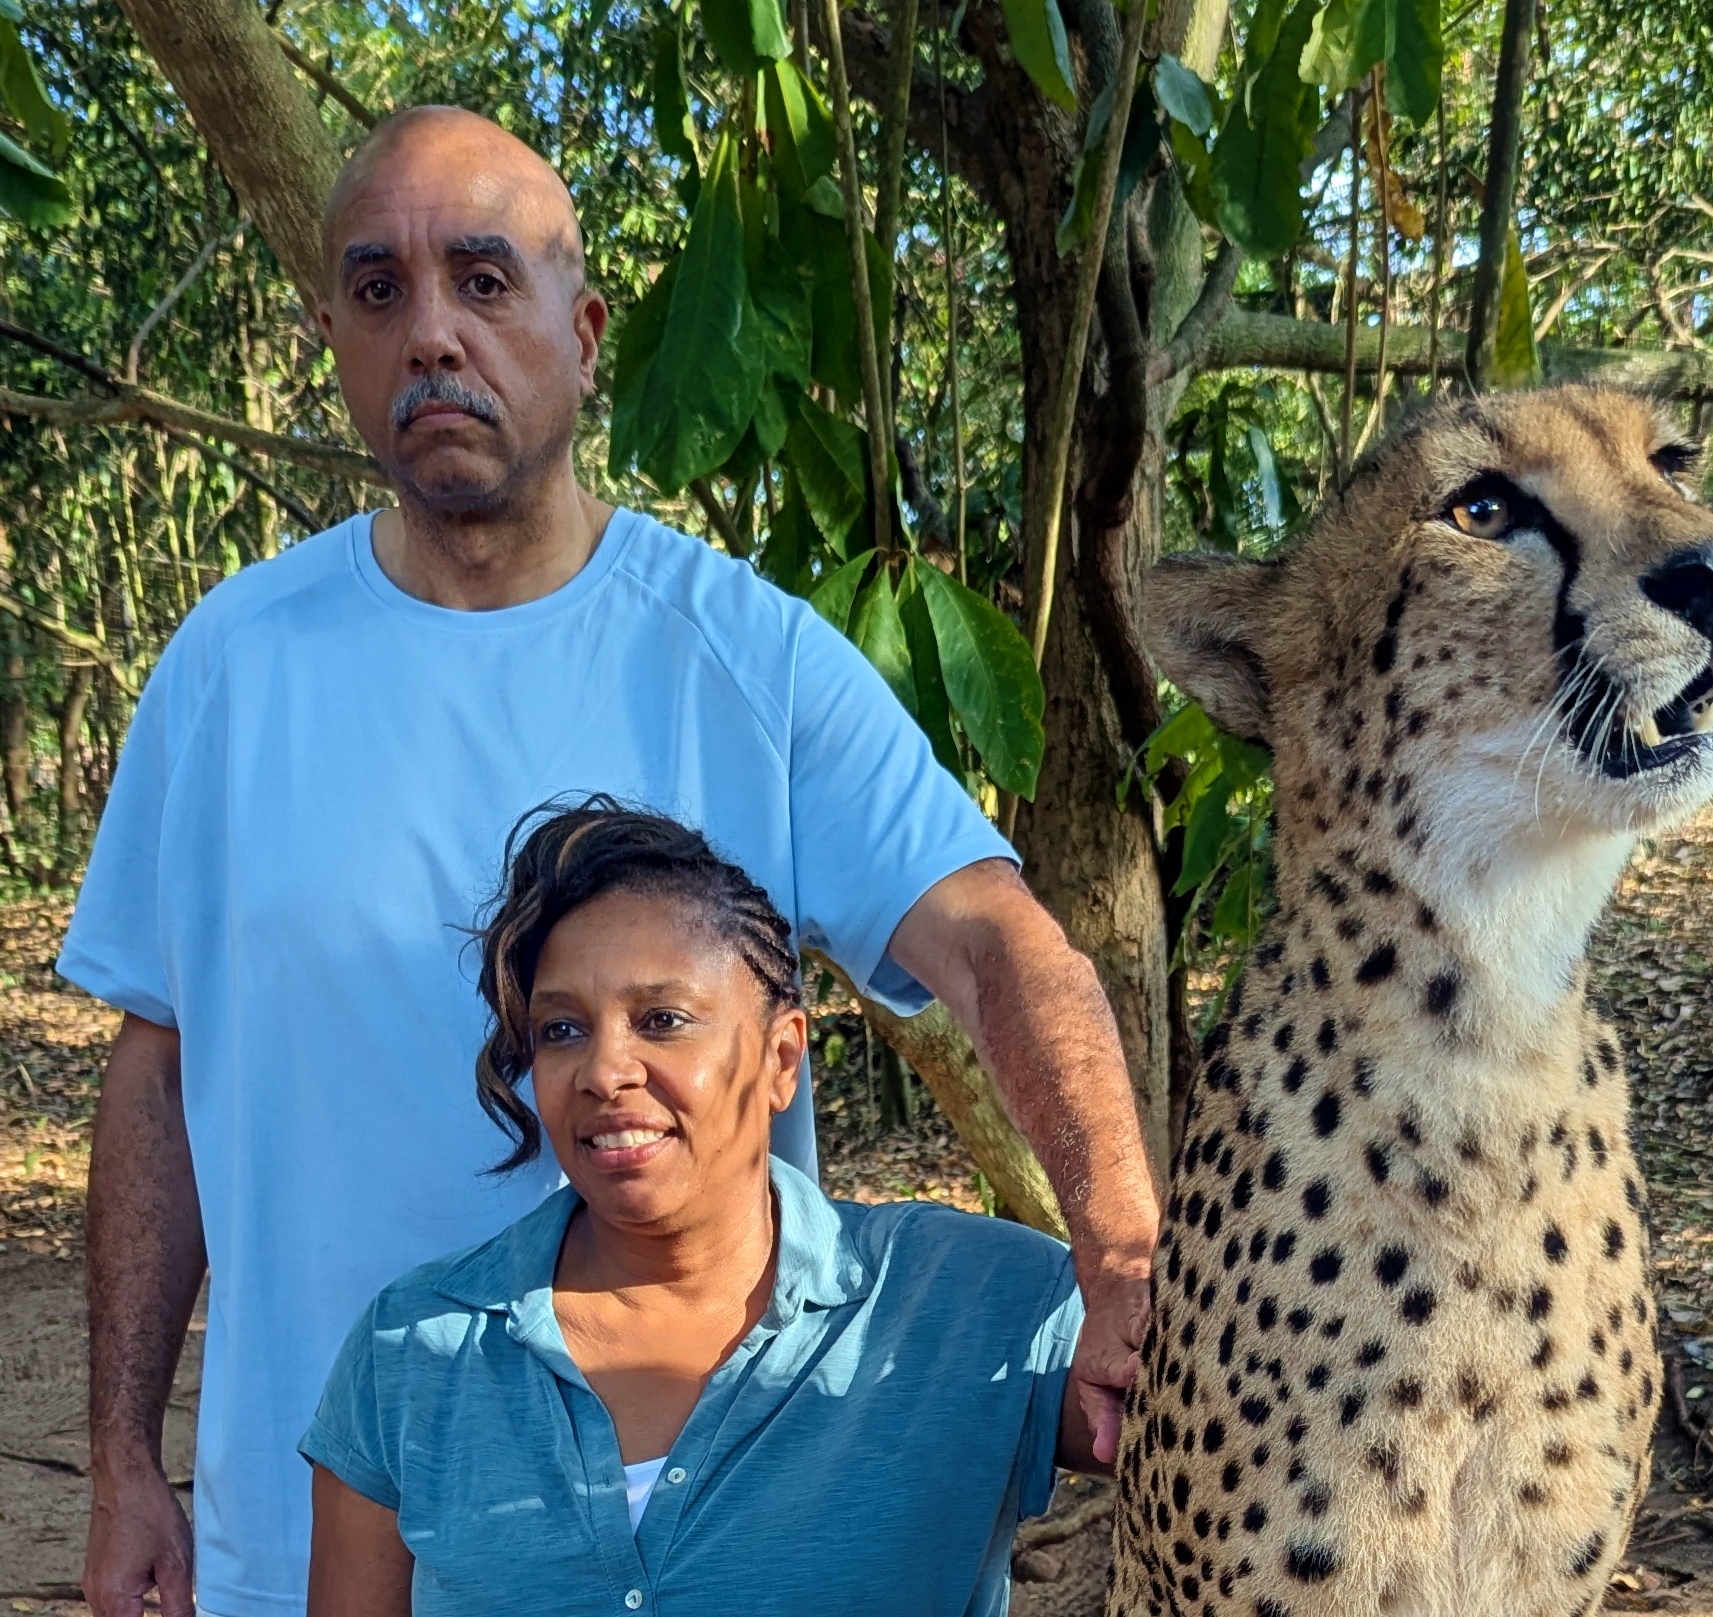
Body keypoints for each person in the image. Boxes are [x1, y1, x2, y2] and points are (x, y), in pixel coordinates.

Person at [67, 105, 1157, 1617]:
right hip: (309, 1528)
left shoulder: (748, 658)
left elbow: (991, 939)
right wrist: (122, 1456)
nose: (431, 332)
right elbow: (158, 1067)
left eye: (483, 280)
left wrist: (1119, 1248)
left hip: (702, 1536)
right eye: (378, 290)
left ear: (584, 339)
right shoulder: (227, 670)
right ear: (332, 340)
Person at [304, 801, 1099, 1616]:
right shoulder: (415, 1349)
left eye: (662, 1020)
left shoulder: (967, 1300)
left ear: (781, 1057)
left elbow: (1185, 1432)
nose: (604, 1070)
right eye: (562, 1029)